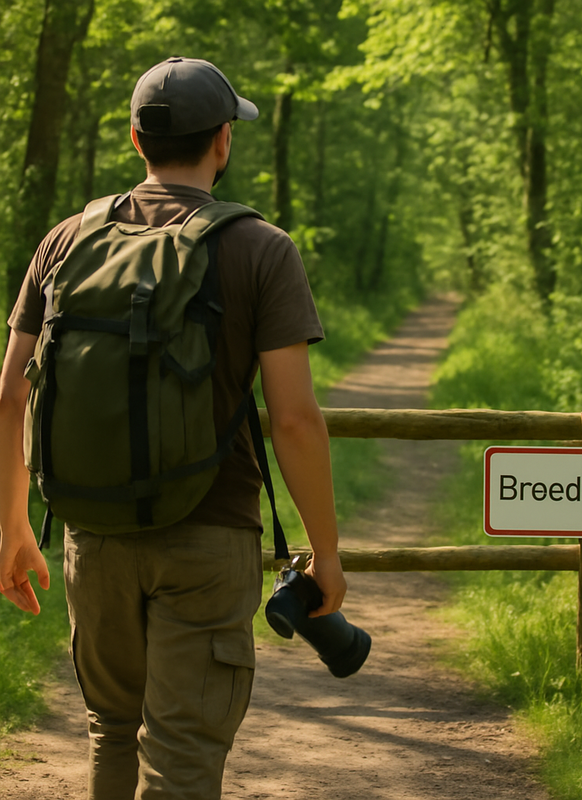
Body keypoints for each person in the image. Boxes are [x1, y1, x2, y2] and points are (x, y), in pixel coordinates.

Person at [0, 57, 347, 799]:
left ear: (136, 139)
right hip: (209, 534)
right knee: (183, 754)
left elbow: (8, 394)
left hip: (91, 534)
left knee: (111, 733)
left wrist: (14, 528)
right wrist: (326, 552)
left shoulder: (65, 241)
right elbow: (292, 418)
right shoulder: (261, 249)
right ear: (224, 141)